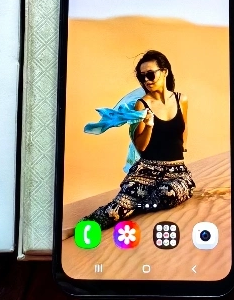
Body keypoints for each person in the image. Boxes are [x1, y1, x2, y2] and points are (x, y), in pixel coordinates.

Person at [83, 50, 195, 230]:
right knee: (115, 211)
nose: (147, 80)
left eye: (150, 74)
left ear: (164, 72)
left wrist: (183, 148)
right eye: (142, 77)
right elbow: (141, 146)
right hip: (146, 172)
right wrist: (149, 125)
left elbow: (185, 125)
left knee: (169, 193)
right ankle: (84, 226)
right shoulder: (141, 105)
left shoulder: (181, 99)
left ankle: (137, 206)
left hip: (177, 173)